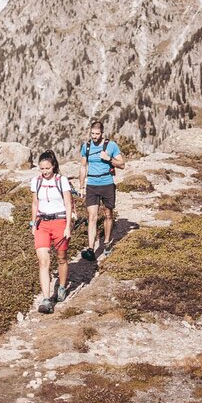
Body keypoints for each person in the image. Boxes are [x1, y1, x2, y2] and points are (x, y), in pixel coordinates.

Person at [30, 150, 73, 314]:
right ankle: (47, 299)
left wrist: (68, 226)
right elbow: (35, 203)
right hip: (42, 223)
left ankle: (61, 286)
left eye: (47, 168)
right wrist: (33, 223)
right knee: (43, 261)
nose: (44, 171)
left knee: (62, 258)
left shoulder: (62, 181)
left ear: (53, 166)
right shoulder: (36, 182)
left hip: (60, 222)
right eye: (42, 168)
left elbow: (68, 204)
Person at [78, 120, 125, 261]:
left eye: (97, 134)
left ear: (102, 133)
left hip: (107, 183)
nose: (94, 136)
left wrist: (109, 158)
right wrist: (81, 186)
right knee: (92, 217)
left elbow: (122, 165)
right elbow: (82, 167)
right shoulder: (86, 147)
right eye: (92, 133)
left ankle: (106, 243)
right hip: (92, 184)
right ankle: (91, 249)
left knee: (108, 214)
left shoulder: (111, 145)